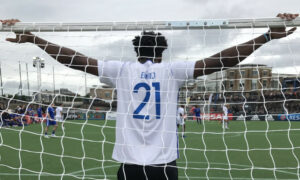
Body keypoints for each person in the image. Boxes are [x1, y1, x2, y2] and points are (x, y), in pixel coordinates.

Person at [1, 13, 298, 180]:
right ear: (162, 52)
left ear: (135, 50)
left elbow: (75, 60)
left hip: (129, 168)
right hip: (163, 168)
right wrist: (266, 36)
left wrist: (36, 39)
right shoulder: (172, 71)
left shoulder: (121, 70)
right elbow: (221, 60)